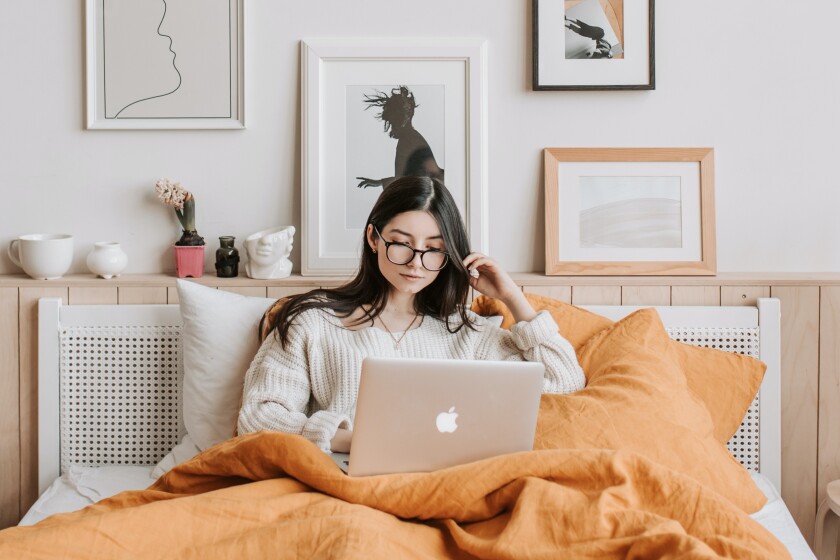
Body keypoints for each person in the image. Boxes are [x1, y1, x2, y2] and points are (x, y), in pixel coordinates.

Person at [237, 177, 585, 453]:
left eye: (434, 250)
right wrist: (351, 440)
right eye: (402, 244)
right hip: (344, 479)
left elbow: (564, 381)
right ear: (373, 238)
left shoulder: (469, 334)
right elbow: (259, 417)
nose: (417, 264)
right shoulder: (314, 323)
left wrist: (512, 296)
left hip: (448, 484)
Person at [355, 86, 445, 190]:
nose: (391, 126)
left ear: (401, 119)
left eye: (392, 122)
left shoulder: (409, 139)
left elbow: (413, 179)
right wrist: (380, 182)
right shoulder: (410, 137)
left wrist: (380, 182)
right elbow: (409, 178)